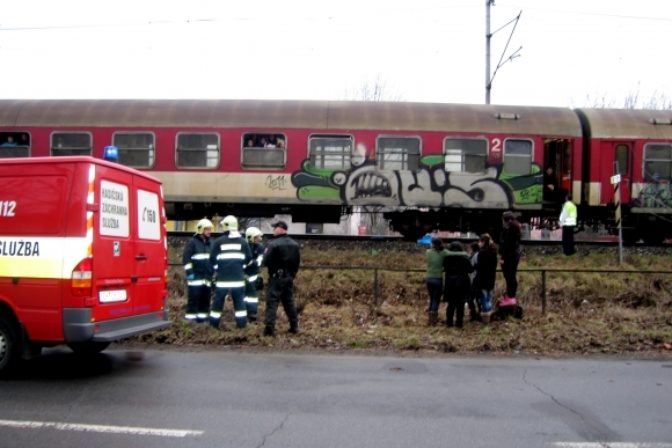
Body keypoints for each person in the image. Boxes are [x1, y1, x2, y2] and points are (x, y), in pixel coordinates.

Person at [209, 215, 252, 329]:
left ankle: (213, 325)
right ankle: (241, 325)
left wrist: (218, 269)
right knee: (239, 302)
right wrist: (240, 267)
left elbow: (212, 258)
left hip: (222, 279)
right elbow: (249, 258)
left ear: (226, 226)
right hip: (238, 278)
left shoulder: (218, 242)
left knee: (218, 302)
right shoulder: (243, 242)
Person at [262, 220, 300, 337]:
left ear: (281, 229)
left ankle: (269, 330)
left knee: (272, 303)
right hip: (288, 277)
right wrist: (292, 275)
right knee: (289, 303)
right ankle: (294, 327)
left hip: (276, 277)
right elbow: (296, 263)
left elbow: (265, 261)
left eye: (275, 228)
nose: (273, 230)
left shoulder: (273, 244)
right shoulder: (294, 244)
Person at [182, 218, 214, 323]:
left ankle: (202, 319)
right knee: (194, 299)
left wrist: (213, 273)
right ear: (201, 230)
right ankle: (190, 320)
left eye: (210, 229)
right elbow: (186, 259)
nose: (209, 232)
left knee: (205, 300)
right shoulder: (192, 243)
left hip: (207, 277)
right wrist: (189, 273)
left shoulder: (211, 243)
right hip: (196, 277)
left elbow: (213, 260)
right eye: (207, 229)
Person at [442, 241, 473, 328]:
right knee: (460, 304)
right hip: (462, 283)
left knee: (451, 304)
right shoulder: (464, 258)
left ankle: (449, 322)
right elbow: (470, 269)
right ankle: (459, 323)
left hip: (450, 283)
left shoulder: (447, 258)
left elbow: (444, 268)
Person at [499, 211, 522, 307]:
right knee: (511, 276)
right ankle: (510, 297)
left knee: (510, 276)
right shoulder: (514, 229)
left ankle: (510, 297)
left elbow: (507, 245)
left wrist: (503, 258)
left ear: (507, 220)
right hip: (513, 256)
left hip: (509, 257)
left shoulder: (510, 231)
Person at [474, 233, 498, 323]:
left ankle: (486, 314)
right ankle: (490, 313)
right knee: (488, 296)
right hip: (491, 277)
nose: (479, 243)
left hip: (482, 278)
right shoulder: (493, 252)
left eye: (480, 241)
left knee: (483, 297)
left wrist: (475, 265)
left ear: (483, 242)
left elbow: (480, 266)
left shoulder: (482, 253)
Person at [425, 237, 449, 326]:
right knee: (436, 299)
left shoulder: (428, 252)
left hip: (429, 278)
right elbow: (452, 253)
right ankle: (433, 320)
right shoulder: (443, 253)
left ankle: (430, 319)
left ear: (433, 244)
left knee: (431, 298)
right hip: (438, 279)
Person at [244, 226, 265, 322]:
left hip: (253, 275)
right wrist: (252, 262)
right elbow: (243, 261)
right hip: (243, 275)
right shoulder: (243, 246)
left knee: (252, 296)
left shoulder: (260, 247)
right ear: (251, 237)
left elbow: (259, 261)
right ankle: (243, 313)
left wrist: (252, 262)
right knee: (243, 296)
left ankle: (252, 313)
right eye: (257, 237)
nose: (260, 239)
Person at [559, 191, 577, 256]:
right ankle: (571, 251)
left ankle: (566, 251)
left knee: (565, 238)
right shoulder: (573, 205)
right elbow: (575, 215)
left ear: (566, 198)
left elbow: (564, 215)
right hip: (572, 224)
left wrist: (561, 223)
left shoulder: (566, 205)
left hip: (566, 223)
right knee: (571, 238)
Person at [466, 241, 481, 322]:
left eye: (470, 248)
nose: (469, 249)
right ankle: (475, 313)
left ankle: (476, 313)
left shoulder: (477, 255)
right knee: (473, 298)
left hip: (475, 279)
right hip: (472, 279)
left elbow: (475, 266)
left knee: (472, 298)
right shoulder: (472, 255)